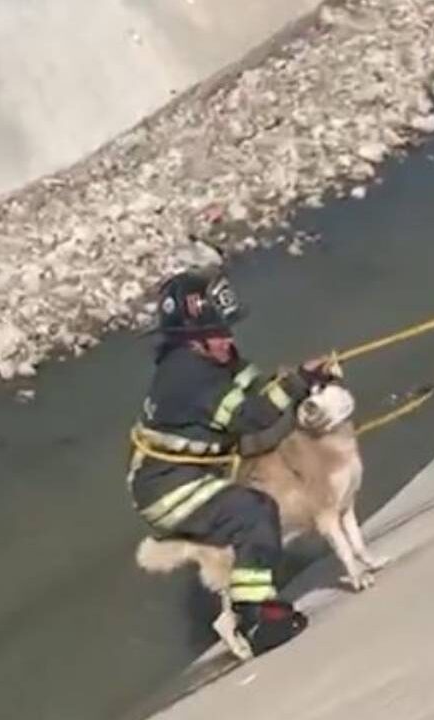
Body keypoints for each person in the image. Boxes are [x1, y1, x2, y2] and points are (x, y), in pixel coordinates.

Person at [126, 262, 331, 656]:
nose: (226, 340)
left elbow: (254, 389)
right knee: (253, 513)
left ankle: (249, 601)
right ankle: (254, 616)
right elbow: (251, 416)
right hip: (168, 490)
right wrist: (297, 383)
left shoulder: (217, 359)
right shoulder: (188, 376)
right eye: (216, 333)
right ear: (192, 341)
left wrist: (297, 383)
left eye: (227, 329)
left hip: (185, 476)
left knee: (252, 512)